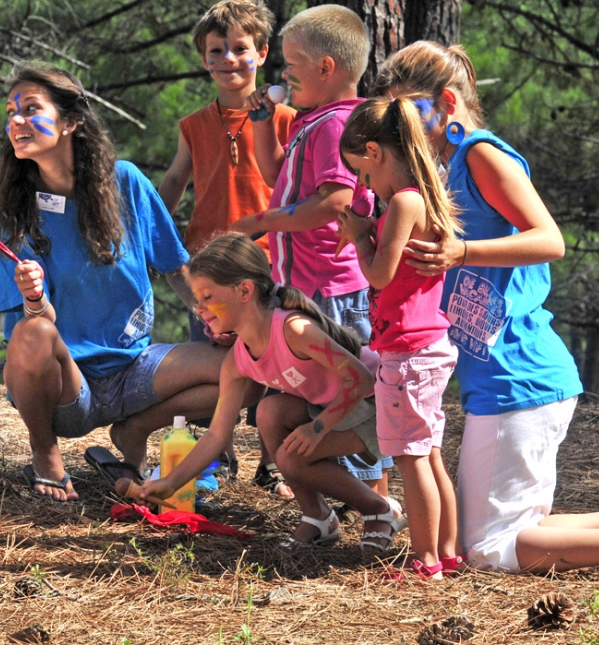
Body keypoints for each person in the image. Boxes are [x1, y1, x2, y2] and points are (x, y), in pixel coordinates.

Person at [375, 41, 599, 572]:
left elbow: (550, 239)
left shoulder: (480, 153)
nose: (400, 124)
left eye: (407, 110)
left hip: (518, 377)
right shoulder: (442, 168)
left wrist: (461, 252)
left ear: (446, 103)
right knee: (509, 533)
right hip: (503, 379)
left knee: (488, 552)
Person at [0, 61, 224, 502]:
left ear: (71, 122)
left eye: (29, 108)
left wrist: (218, 320)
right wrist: (34, 297)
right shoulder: (10, 218)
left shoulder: (127, 182)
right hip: (66, 390)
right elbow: (34, 331)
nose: (15, 121)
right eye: (10, 112)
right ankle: (46, 455)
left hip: (135, 370)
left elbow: (175, 267)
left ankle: (135, 428)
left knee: (248, 365)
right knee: (32, 331)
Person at [140, 234, 404, 552]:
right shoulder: (237, 360)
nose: (200, 308)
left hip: (381, 405)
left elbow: (361, 379)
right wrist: (172, 481)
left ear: (244, 291)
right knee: (269, 411)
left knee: (290, 458)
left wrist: (317, 429)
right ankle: (319, 517)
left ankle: (381, 510)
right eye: (198, 299)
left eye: (207, 296)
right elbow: (215, 436)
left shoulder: (292, 330)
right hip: (336, 405)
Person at [234, 3, 394, 497]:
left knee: (350, 396)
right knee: (319, 394)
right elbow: (279, 174)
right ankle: (341, 493)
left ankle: (377, 496)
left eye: (292, 64)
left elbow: (335, 200)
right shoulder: (315, 120)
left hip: (331, 289)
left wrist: (262, 221)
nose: (284, 74)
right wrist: (263, 123)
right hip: (305, 285)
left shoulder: (335, 125)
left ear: (326, 68)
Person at [156, 0, 297, 490]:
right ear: (203, 59)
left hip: (268, 261)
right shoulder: (193, 125)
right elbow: (175, 180)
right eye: (216, 50)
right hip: (207, 264)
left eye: (240, 48)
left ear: (261, 53)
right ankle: (213, 457)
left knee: (273, 359)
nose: (227, 59)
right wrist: (151, 219)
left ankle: (273, 457)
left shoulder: (285, 119)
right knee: (214, 365)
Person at [336, 97, 464, 579]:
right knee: (429, 454)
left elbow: (381, 274)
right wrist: (372, 228)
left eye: (363, 173)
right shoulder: (422, 198)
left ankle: (426, 560)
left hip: (408, 353)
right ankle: (447, 552)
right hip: (427, 345)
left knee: (411, 460)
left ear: (374, 151)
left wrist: (359, 238)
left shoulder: (404, 202)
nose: (365, 184)